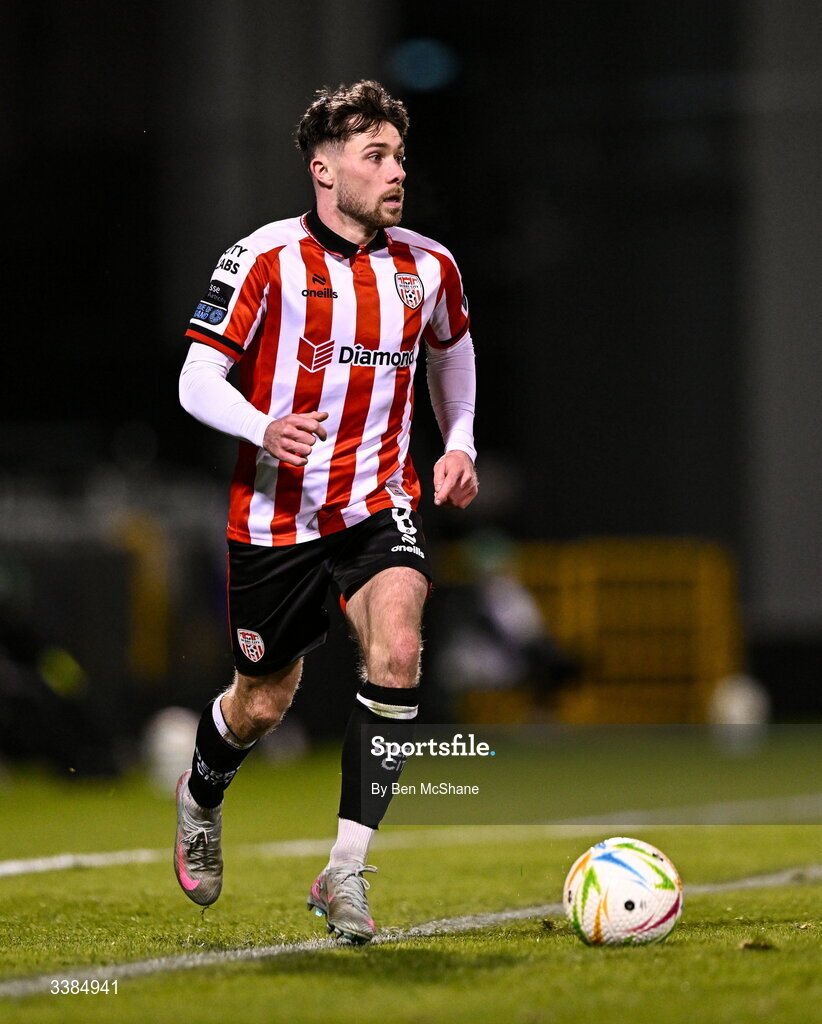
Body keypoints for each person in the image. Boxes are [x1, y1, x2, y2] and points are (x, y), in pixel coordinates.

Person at [174, 80, 478, 944]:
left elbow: (453, 356)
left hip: (379, 501)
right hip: (275, 521)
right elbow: (197, 380)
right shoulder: (262, 258)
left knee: (402, 646)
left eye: (400, 156)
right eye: (375, 156)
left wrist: (459, 443)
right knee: (262, 704)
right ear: (323, 168)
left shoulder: (429, 267)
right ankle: (201, 794)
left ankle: (345, 873)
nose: (396, 172)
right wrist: (263, 426)